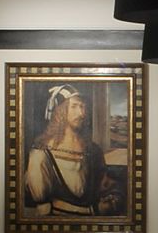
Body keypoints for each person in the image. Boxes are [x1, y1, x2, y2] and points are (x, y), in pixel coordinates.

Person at [23, 84, 120, 217]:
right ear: (59, 112)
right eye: (74, 106)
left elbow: (105, 185)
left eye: (83, 107)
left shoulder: (93, 150)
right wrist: (93, 211)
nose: (81, 113)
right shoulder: (41, 154)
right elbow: (44, 208)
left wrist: (114, 197)